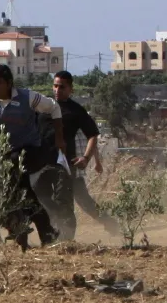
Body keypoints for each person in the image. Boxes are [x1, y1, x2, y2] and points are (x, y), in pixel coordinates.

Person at [0, 64, 64, 249]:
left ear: (9, 83)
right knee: (21, 189)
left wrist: (59, 137)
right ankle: (42, 231)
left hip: (30, 151)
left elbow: (54, 108)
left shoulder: (28, 97)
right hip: (4, 153)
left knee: (12, 181)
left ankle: (21, 228)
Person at [46, 70, 118, 241]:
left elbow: (92, 136)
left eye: (62, 87)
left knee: (81, 201)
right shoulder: (46, 106)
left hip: (70, 165)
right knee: (52, 199)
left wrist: (91, 160)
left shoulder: (76, 111)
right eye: (55, 86)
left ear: (71, 89)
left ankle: (105, 224)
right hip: (47, 163)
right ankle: (56, 234)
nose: (57, 90)